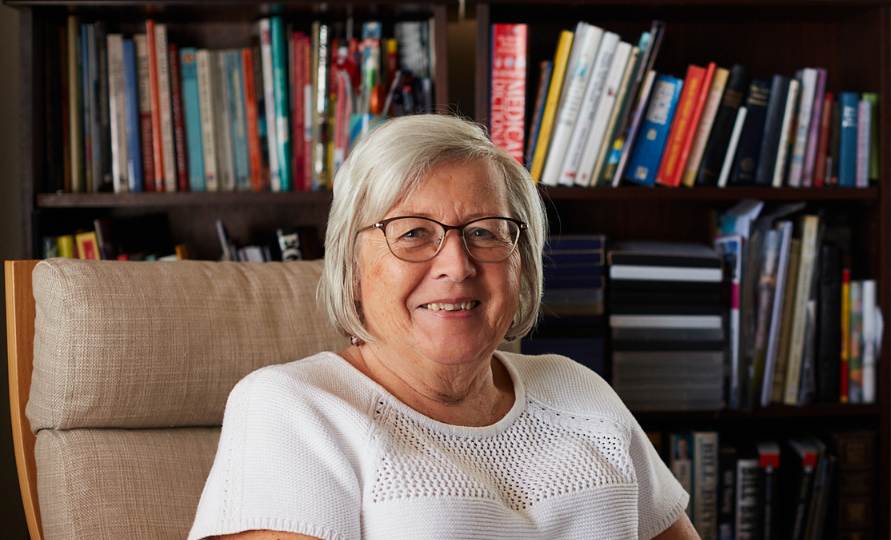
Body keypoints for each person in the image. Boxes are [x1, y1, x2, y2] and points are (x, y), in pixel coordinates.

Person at [188, 114, 698, 539]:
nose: (457, 264)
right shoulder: (294, 408)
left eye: (484, 232)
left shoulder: (578, 388)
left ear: (521, 263)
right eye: (413, 233)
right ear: (351, 265)